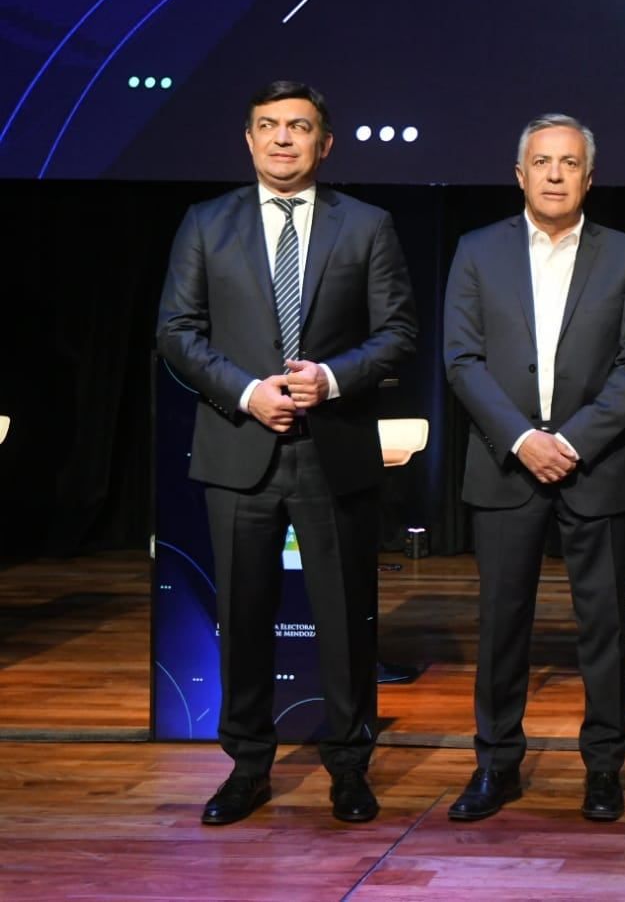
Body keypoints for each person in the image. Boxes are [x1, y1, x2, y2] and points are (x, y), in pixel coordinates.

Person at [155, 80, 418, 825]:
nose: (281, 140)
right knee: (241, 616)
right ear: (247, 139)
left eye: (297, 127)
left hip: (333, 450)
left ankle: (348, 765)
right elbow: (176, 331)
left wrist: (330, 379)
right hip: (239, 446)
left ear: (324, 142)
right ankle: (245, 766)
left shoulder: (366, 224)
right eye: (267, 126)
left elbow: (398, 331)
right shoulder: (205, 223)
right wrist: (246, 392)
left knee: (345, 616)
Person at [441, 114, 625, 822]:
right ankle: (495, 764)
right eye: (542, 162)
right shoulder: (476, 251)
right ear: (520, 173)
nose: (556, 174)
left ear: (588, 176)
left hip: (592, 465)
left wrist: (571, 440)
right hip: (505, 466)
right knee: (502, 623)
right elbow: (461, 360)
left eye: (569, 163)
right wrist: (519, 439)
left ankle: (602, 768)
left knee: (603, 624)